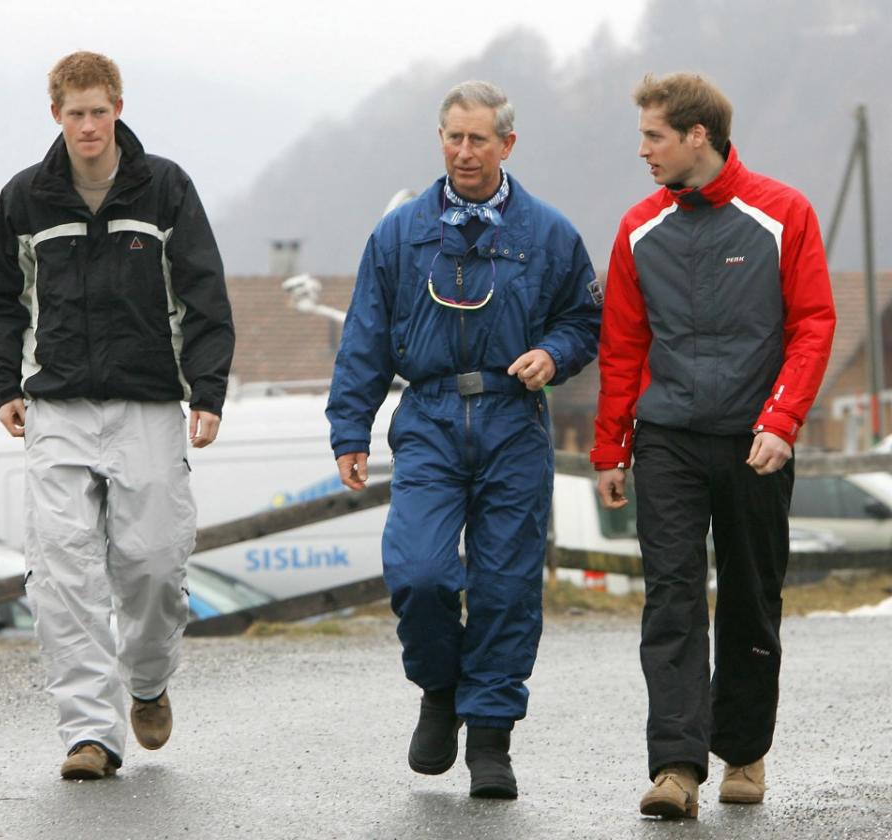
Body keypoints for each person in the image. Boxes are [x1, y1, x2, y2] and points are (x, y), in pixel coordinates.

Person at [326, 80, 601, 799]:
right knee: (418, 571)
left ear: (508, 144)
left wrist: (556, 353)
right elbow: (363, 338)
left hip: (514, 421)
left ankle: (490, 739)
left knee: (507, 587)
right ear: (440, 140)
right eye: (454, 137)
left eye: (480, 139)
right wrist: (348, 428)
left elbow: (582, 319)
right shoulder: (399, 235)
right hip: (430, 420)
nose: (465, 151)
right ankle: (439, 690)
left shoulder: (548, 234)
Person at [0, 51, 235, 780]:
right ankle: (90, 732)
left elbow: (205, 292)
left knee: (152, 564)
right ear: (54, 115)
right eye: (73, 112)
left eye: (98, 110)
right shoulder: (25, 198)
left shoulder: (166, 189)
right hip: (56, 406)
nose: (87, 125)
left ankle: (147, 680)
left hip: (149, 402)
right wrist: (5, 385)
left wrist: (207, 393)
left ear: (118, 107)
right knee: (61, 571)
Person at [591, 73, 836, 819]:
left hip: (755, 440)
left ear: (698, 135)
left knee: (751, 598)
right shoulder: (638, 228)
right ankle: (675, 769)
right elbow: (623, 345)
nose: (643, 151)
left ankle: (745, 752)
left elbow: (814, 325)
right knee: (670, 598)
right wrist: (610, 450)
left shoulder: (784, 213)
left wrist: (782, 420)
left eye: (654, 137)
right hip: (667, 438)